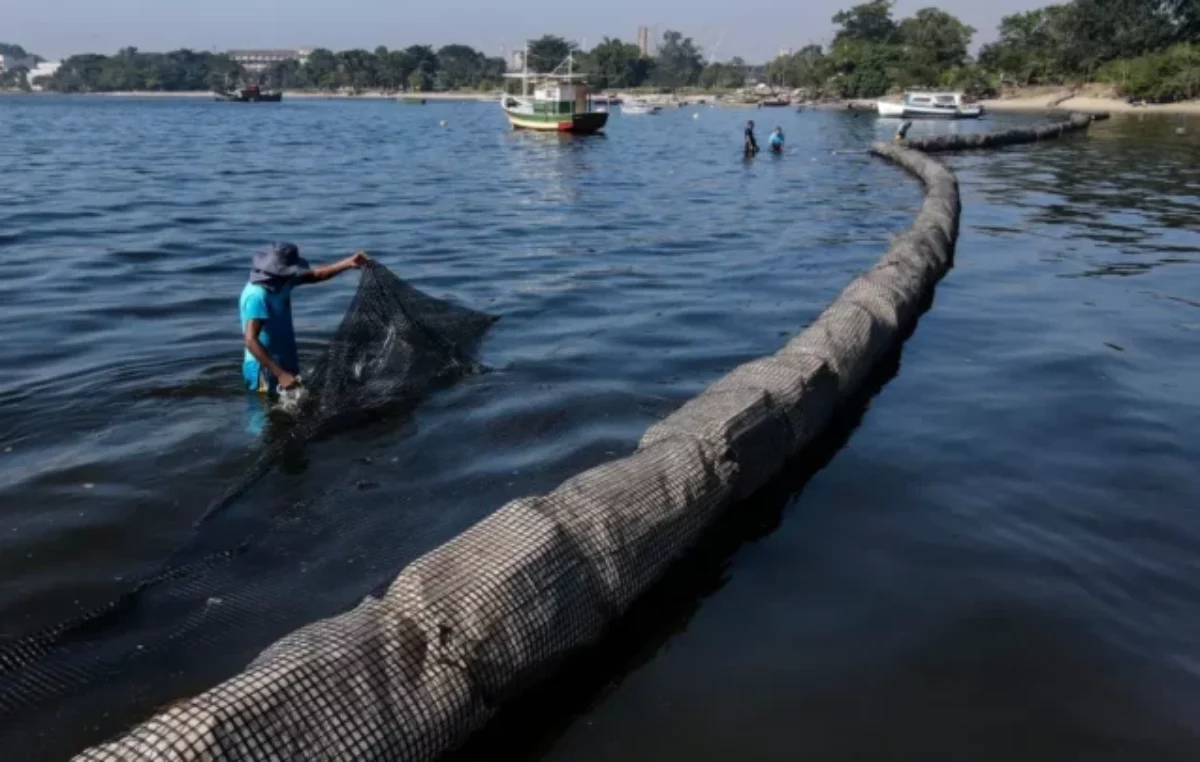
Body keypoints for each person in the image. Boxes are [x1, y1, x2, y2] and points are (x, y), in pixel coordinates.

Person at [240, 242, 370, 394]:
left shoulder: (282, 281)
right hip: (263, 367)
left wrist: (348, 263)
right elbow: (250, 340)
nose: (293, 275)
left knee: (289, 407)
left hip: (284, 357)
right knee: (263, 412)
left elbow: (315, 275)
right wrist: (280, 374)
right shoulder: (257, 296)